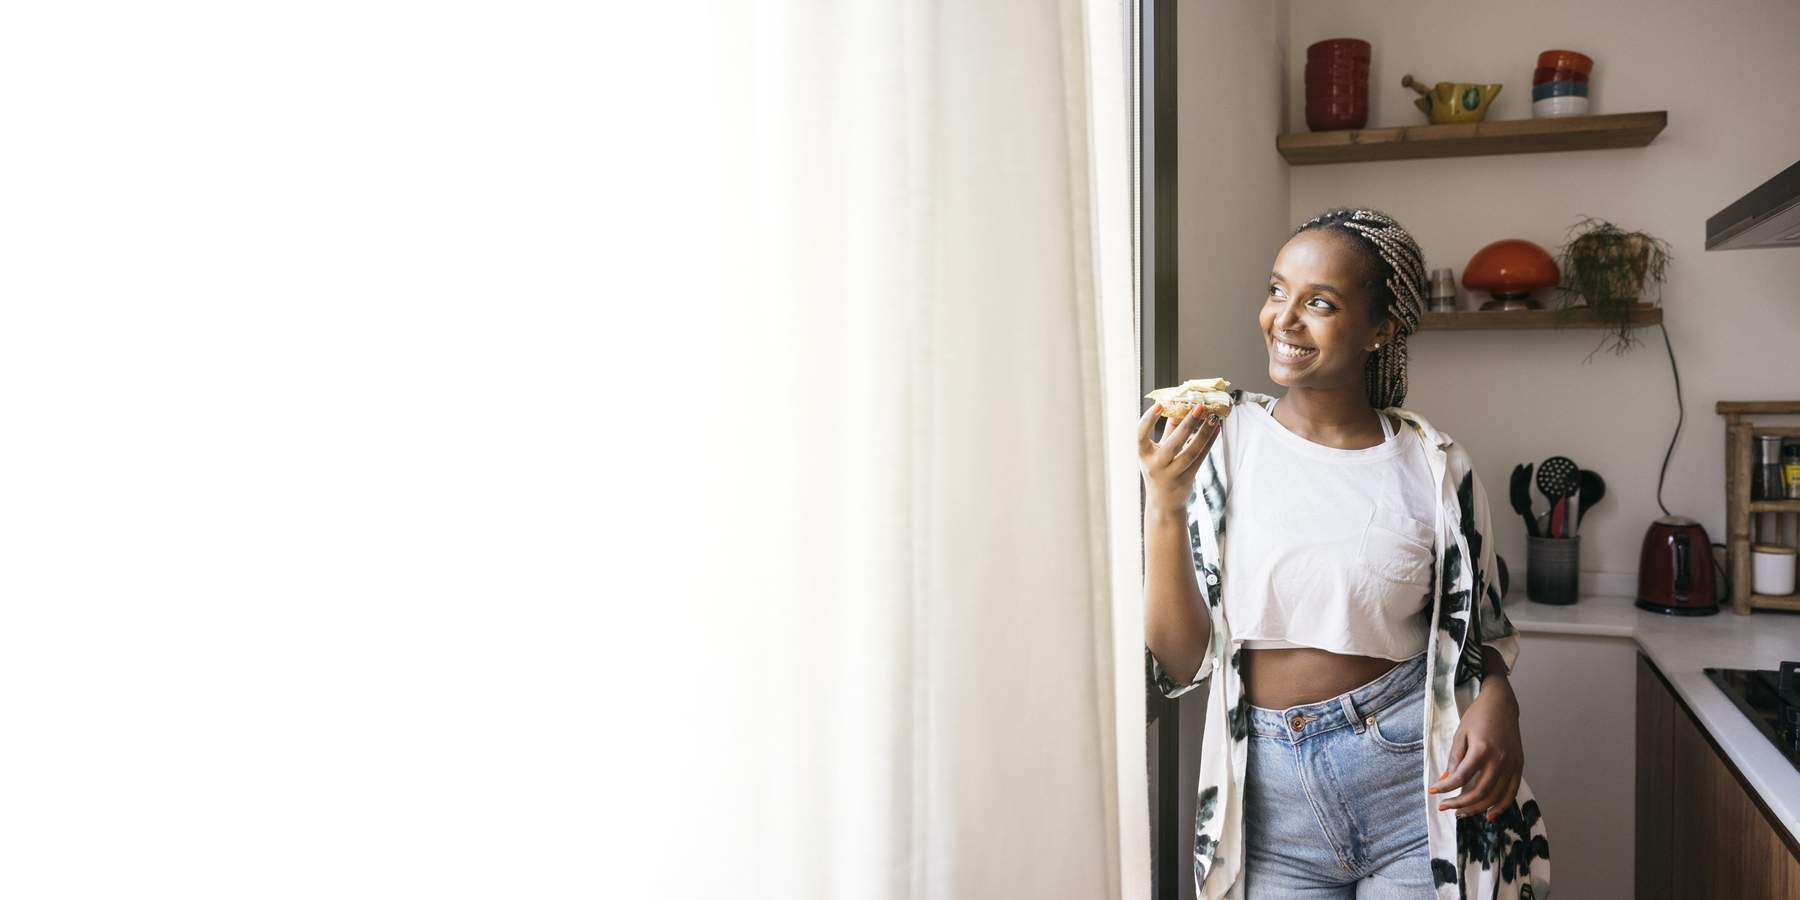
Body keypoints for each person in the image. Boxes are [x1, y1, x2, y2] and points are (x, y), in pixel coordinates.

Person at [1141, 208, 1550, 899]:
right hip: (1268, 802)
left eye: (1320, 303)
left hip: (1412, 783)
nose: (1284, 319)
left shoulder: (1435, 466)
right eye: (1277, 291)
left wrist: (1500, 701)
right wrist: (1165, 505)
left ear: (1381, 330)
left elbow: (1478, 639)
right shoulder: (1216, 438)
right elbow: (1179, 661)